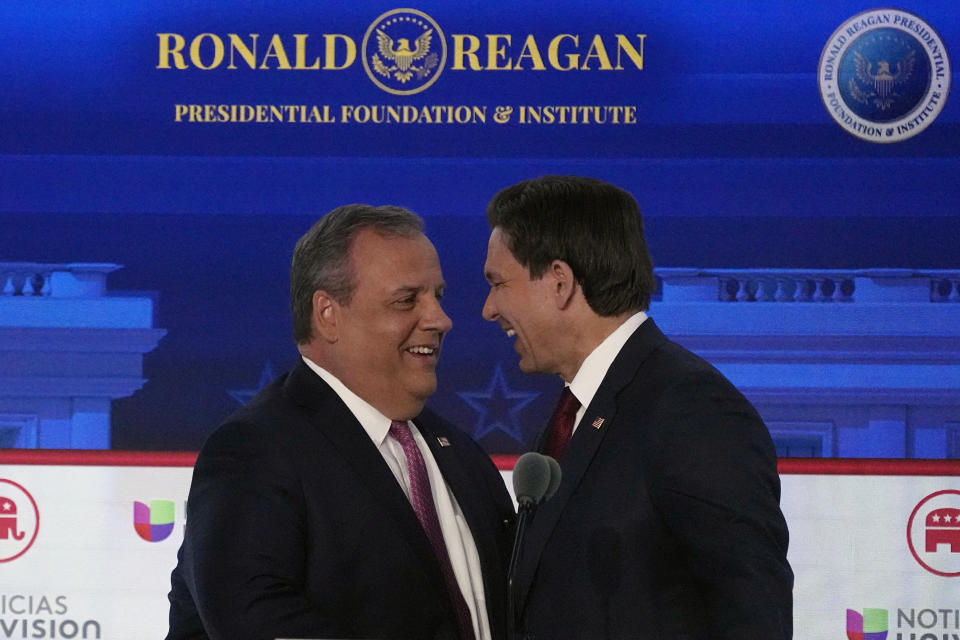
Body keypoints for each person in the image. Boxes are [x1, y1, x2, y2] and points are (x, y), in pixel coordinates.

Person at [167, 204, 516, 640]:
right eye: (407, 300)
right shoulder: (255, 451)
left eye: (438, 296)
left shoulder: (460, 453)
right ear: (328, 314)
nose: (439, 319)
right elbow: (255, 622)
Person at [481, 176, 793, 639]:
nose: (489, 308)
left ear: (560, 282)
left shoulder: (692, 409)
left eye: (498, 283)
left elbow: (752, 609)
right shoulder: (577, 410)